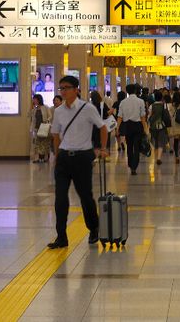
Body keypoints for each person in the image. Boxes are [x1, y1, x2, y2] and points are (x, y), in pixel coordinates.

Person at [48, 75, 108, 249]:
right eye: (61, 88)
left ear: (76, 90)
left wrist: (103, 149)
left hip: (83, 157)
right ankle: (61, 236)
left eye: (66, 88)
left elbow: (102, 128)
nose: (63, 91)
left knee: (85, 196)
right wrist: (57, 155)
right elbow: (56, 135)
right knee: (60, 198)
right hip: (64, 157)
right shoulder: (58, 111)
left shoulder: (87, 108)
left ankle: (94, 228)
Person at [116, 83, 147, 175]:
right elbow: (142, 117)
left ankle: (130, 163)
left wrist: (117, 128)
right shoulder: (140, 101)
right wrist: (145, 128)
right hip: (137, 125)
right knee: (136, 146)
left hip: (127, 126)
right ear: (134, 91)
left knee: (129, 145)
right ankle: (134, 166)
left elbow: (120, 117)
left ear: (127, 91)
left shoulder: (123, 102)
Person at [148, 90, 169, 165]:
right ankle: (159, 158)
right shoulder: (164, 105)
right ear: (161, 97)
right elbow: (166, 115)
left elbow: (149, 116)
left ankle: (156, 156)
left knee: (155, 141)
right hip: (162, 125)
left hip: (153, 126)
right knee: (161, 141)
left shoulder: (151, 106)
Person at [28, 94, 51, 163]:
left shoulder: (45, 107)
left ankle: (45, 158)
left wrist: (46, 121)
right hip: (36, 128)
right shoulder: (34, 109)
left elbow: (50, 116)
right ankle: (37, 158)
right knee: (37, 144)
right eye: (33, 99)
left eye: (35, 99)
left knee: (44, 143)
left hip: (44, 127)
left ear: (39, 99)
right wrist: (31, 107)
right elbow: (29, 115)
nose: (34, 100)